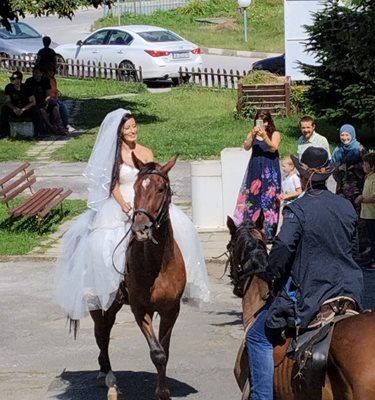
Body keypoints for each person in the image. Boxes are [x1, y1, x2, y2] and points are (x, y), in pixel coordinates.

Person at [54, 108, 209, 320]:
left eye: (134, 126)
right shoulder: (115, 155)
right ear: (120, 132)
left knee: (181, 229)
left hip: (146, 200)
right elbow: (112, 184)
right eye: (128, 128)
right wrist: (124, 204)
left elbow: (153, 180)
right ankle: (116, 285)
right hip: (123, 203)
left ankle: (182, 280)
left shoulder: (146, 152)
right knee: (105, 244)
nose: (133, 130)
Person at [246, 146, 363, 400]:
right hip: (349, 290)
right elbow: (353, 246)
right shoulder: (346, 206)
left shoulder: (297, 210)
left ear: (301, 176)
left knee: (257, 336)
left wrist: (272, 273)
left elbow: (284, 246)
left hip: (314, 291)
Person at [233, 109, 281, 242]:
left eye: (265, 121)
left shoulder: (274, 133)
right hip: (255, 168)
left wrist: (265, 136)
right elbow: (247, 147)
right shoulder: (252, 133)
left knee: (269, 199)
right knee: (253, 197)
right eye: (260, 121)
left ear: (269, 121)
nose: (263, 124)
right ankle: (252, 229)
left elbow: (274, 147)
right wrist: (252, 136)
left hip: (269, 169)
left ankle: (269, 232)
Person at [25, 65, 67, 135]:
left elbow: (48, 94)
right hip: (35, 103)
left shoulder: (45, 81)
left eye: (37, 72)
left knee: (55, 107)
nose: (35, 74)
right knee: (42, 110)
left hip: (44, 101)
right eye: (34, 72)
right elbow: (28, 95)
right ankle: (51, 127)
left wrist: (46, 102)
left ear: (41, 73)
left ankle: (60, 127)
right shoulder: (29, 81)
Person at [0, 70, 42, 138]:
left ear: (19, 79)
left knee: (35, 110)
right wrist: (14, 108)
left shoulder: (27, 87)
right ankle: (3, 132)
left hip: (25, 109)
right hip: (14, 109)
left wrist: (23, 109)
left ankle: (38, 132)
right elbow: (7, 101)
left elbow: (33, 102)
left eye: (14, 79)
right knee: (4, 109)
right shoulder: (9, 87)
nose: (12, 80)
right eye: (11, 78)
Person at [355, 152, 375, 267]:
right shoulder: (368, 177)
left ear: (373, 166)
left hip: (373, 214)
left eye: (366, 164)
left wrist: (362, 199)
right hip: (367, 214)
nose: (363, 166)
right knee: (371, 238)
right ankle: (371, 256)